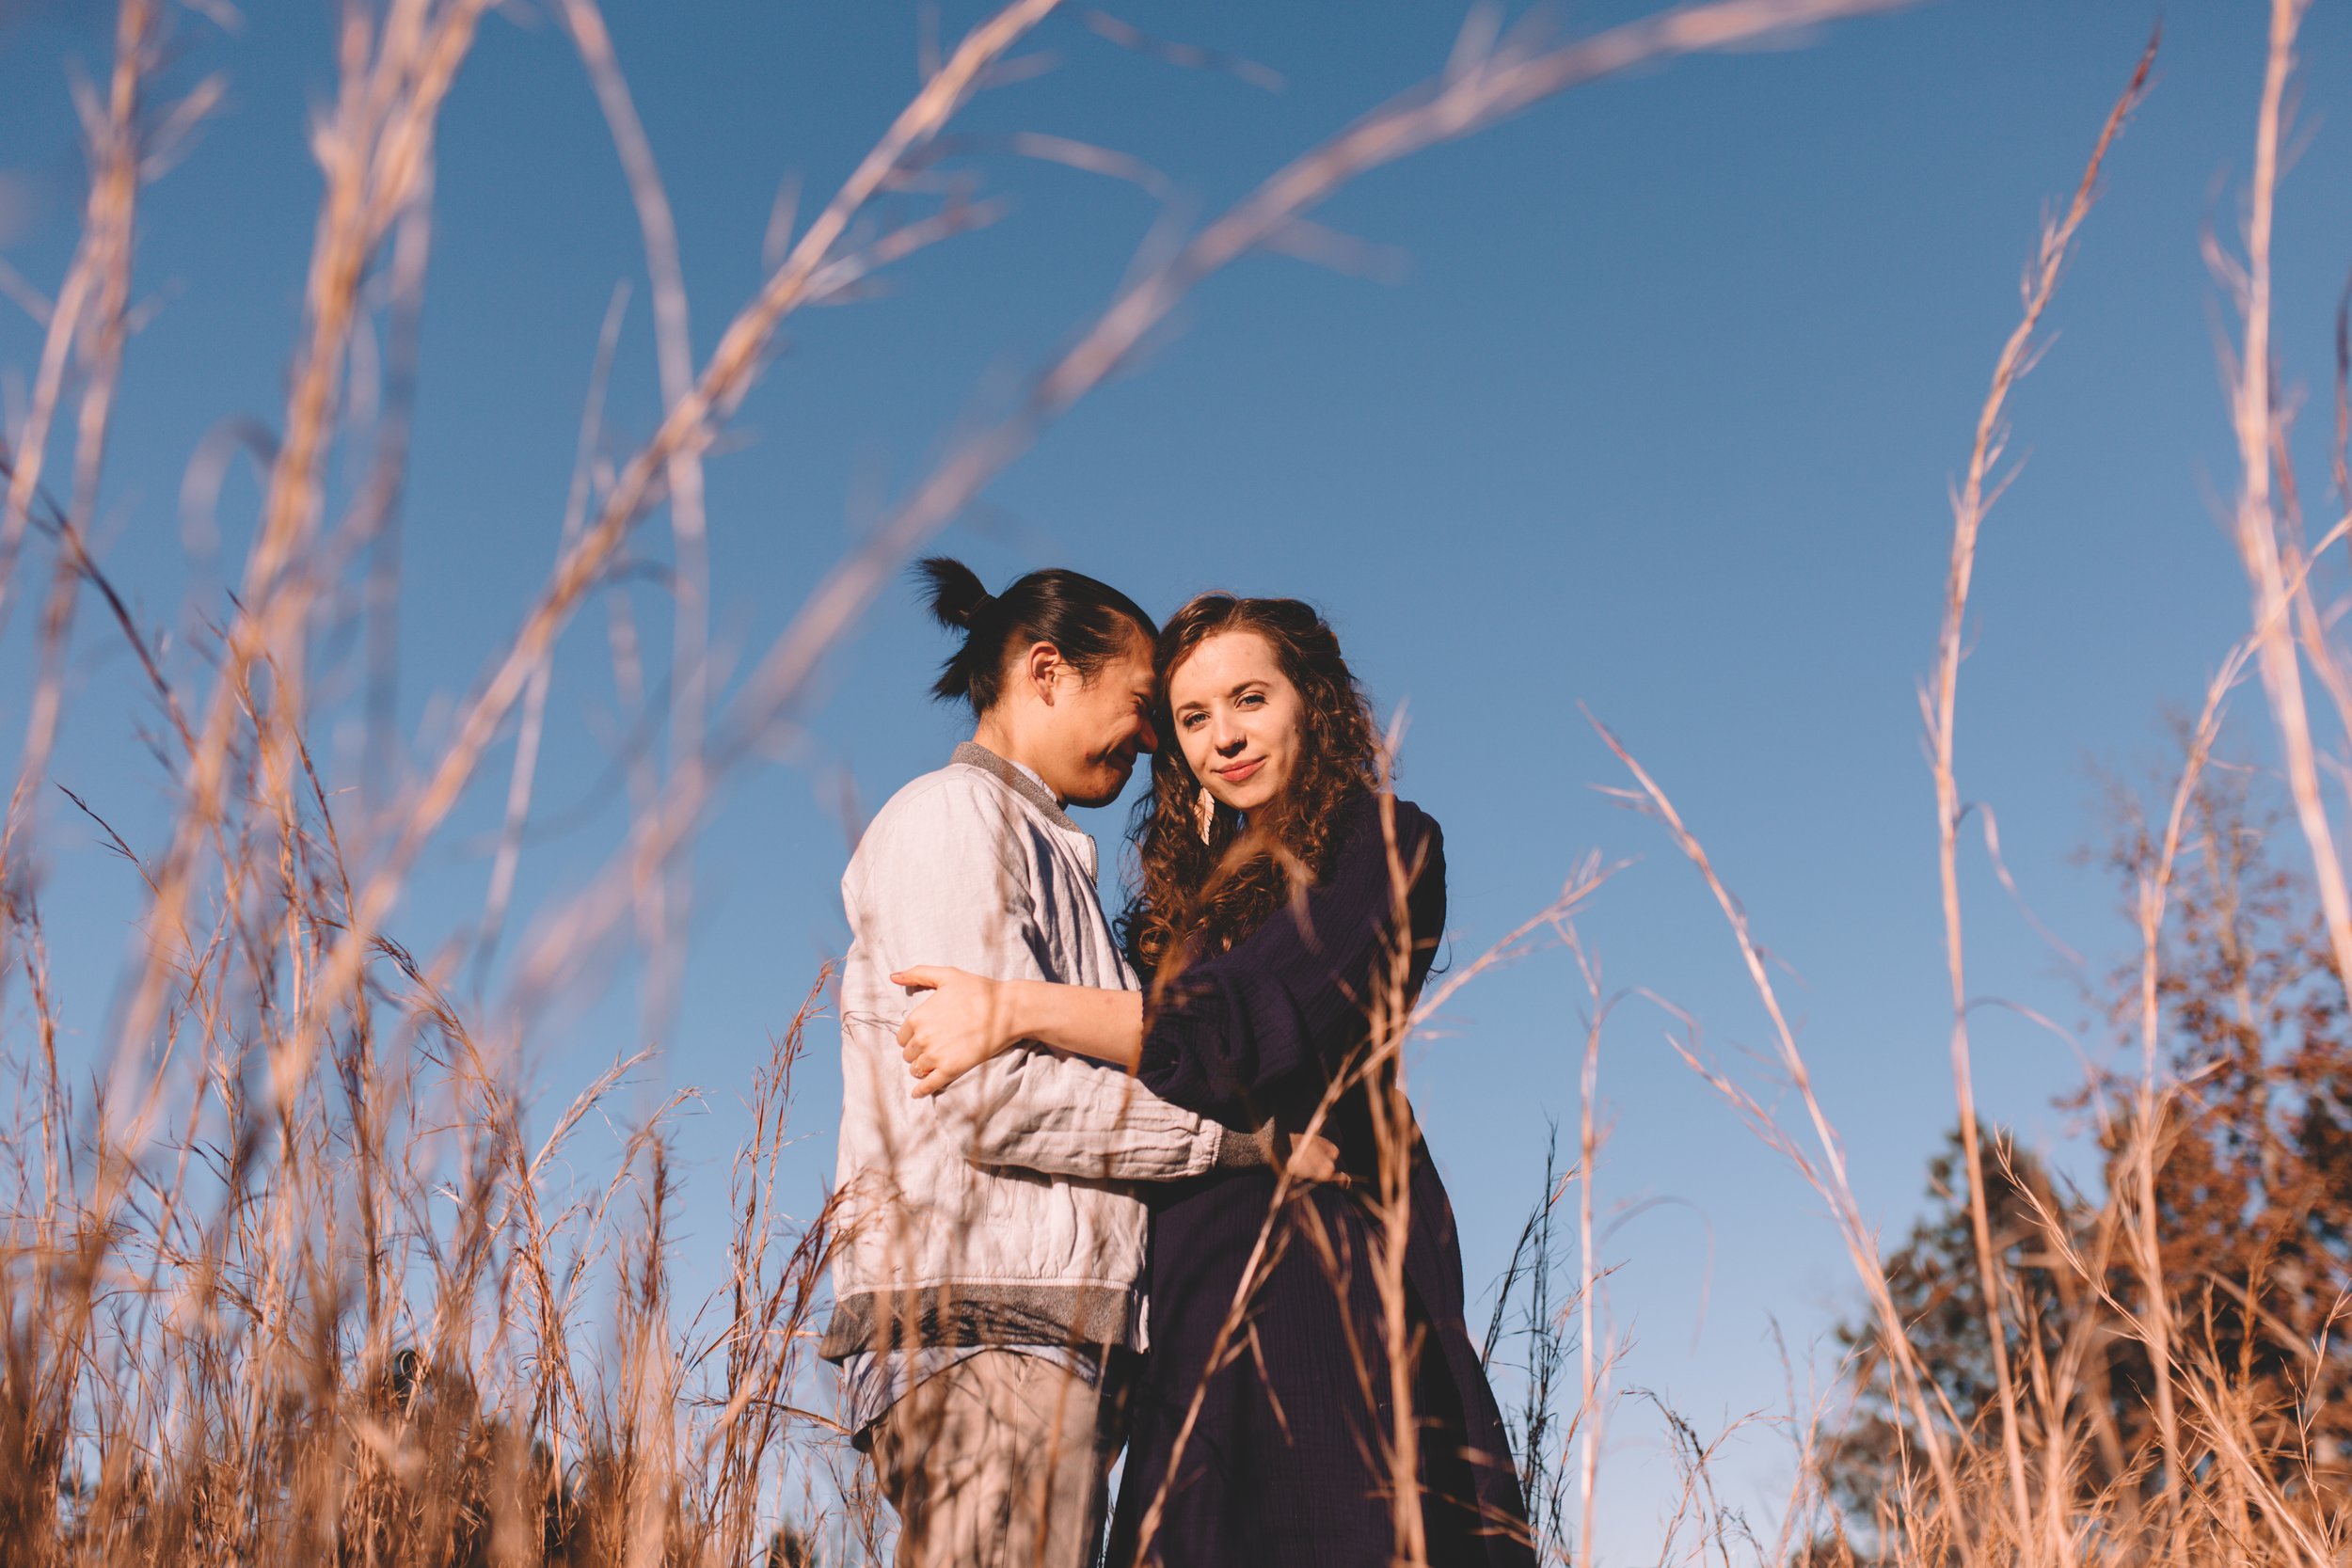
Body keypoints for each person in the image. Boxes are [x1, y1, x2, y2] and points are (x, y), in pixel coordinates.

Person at [896, 594, 1538, 1568]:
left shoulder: (1385, 841)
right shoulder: (1171, 907)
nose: (1224, 737)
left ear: (1309, 702)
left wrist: (1017, 1005)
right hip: (1184, 1300)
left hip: (1321, 1272)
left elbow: (1243, 1030)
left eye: (1249, 699)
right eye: (1192, 718)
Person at [820, 561, 1325, 1568]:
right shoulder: (952, 818)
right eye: (1143, 705)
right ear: (1046, 671)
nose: (1152, 740)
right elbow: (993, 1100)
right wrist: (1245, 1142)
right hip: (985, 1329)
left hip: (1024, 1331)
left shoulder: (1035, 843)